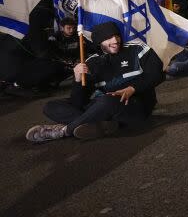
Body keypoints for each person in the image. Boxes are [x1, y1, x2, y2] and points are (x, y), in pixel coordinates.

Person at [25, 21, 164, 143]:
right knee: (50, 106)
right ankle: (102, 124)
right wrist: (78, 80)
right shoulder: (92, 62)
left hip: (137, 105)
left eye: (117, 36)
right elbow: (78, 102)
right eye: (108, 38)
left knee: (107, 100)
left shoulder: (137, 49)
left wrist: (132, 88)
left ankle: (64, 131)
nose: (115, 40)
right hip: (105, 105)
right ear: (98, 42)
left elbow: (157, 74)